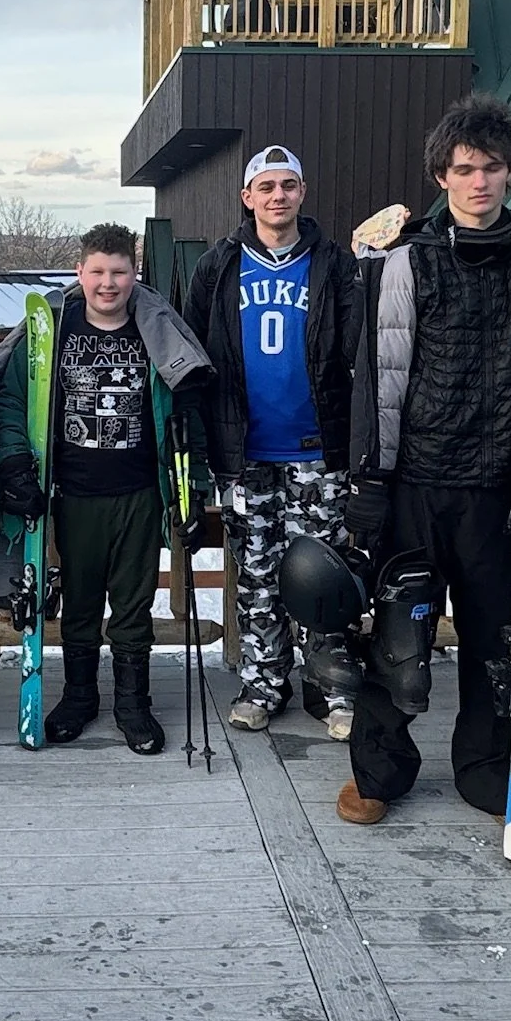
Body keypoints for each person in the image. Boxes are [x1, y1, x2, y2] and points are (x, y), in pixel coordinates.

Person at [338, 95, 511, 825]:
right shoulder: (407, 262)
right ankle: (379, 771)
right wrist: (371, 477)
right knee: (399, 635)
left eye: (493, 168)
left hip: (501, 486)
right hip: (418, 484)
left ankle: (486, 766)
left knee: (500, 636)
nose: (480, 182)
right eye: (465, 169)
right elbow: (378, 374)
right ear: (442, 177)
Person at [0, 224, 212, 755]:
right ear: (79, 273)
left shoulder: (157, 331)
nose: (108, 284)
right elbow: (10, 400)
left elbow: (187, 416)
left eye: (119, 272)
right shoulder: (51, 331)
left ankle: (133, 704)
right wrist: (16, 459)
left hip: (139, 491)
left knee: (134, 605)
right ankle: (80, 696)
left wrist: (193, 488)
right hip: (72, 493)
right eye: (97, 272)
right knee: (82, 604)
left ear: (134, 274)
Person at [184, 145, 362, 740]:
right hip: (246, 453)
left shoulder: (334, 264)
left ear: (302, 193)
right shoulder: (219, 266)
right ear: (247, 197)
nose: (278, 196)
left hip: (317, 450)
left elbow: (355, 350)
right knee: (257, 574)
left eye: (289, 185)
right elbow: (193, 354)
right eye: (266, 186)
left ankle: (333, 685)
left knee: (324, 574)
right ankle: (265, 682)